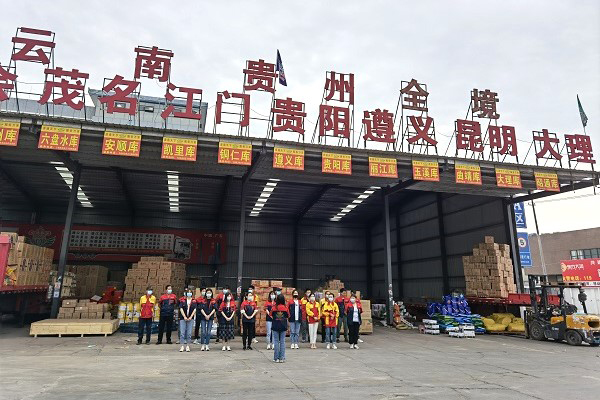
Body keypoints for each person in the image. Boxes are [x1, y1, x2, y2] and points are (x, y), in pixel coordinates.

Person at [270, 294, 289, 363]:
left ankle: (276, 358)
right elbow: (288, 316)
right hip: (283, 326)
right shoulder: (285, 308)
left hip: (275, 325)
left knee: (276, 341)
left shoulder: (274, 307)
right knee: (282, 342)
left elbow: (270, 315)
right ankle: (282, 358)